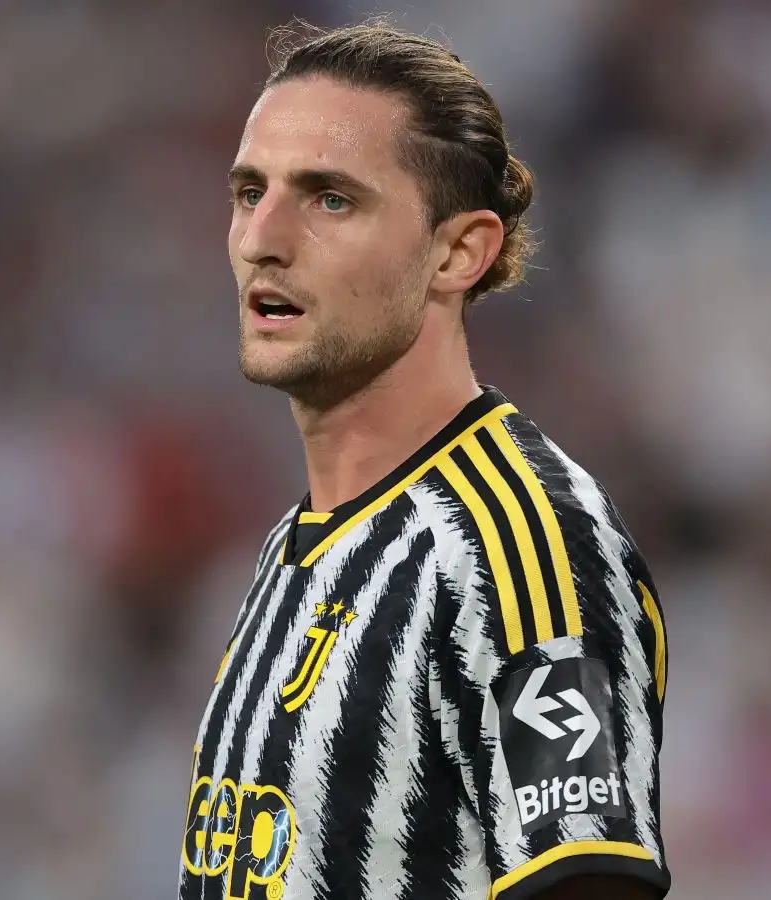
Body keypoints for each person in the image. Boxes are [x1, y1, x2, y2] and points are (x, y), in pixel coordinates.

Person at [180, 21, 669, 900]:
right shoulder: (301, 545)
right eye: (250, 192)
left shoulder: (521, 543)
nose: (263, 237)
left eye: (331, 199)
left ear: (458, 252)